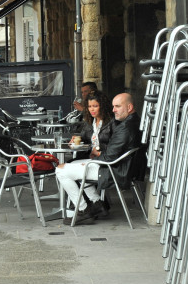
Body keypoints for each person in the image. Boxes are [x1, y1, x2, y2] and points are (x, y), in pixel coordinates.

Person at [55, 93, 140, 222]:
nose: (113, 110)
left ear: (129, 107)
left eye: (117, 106)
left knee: (60, 170)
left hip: (112, 169)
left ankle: (84, 209)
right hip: (115, 166)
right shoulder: (130, 122)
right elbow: (111, 152)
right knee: (73, 164)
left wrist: (92, 160)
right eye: (113, 106)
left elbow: (110, 156)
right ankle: (97, 204)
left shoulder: (124, 127)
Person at [72, 91, 113, 160]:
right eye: (89, 106)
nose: (92, 109)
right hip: (88, 158)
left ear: (103, 106)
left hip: (104, 160)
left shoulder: (111, 122)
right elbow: (84, 140)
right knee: (62, 166)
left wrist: (98, 149)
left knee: (63, 168)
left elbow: (115, 146)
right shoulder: (89, 122)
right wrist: (76, 141)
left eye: (95, 106)